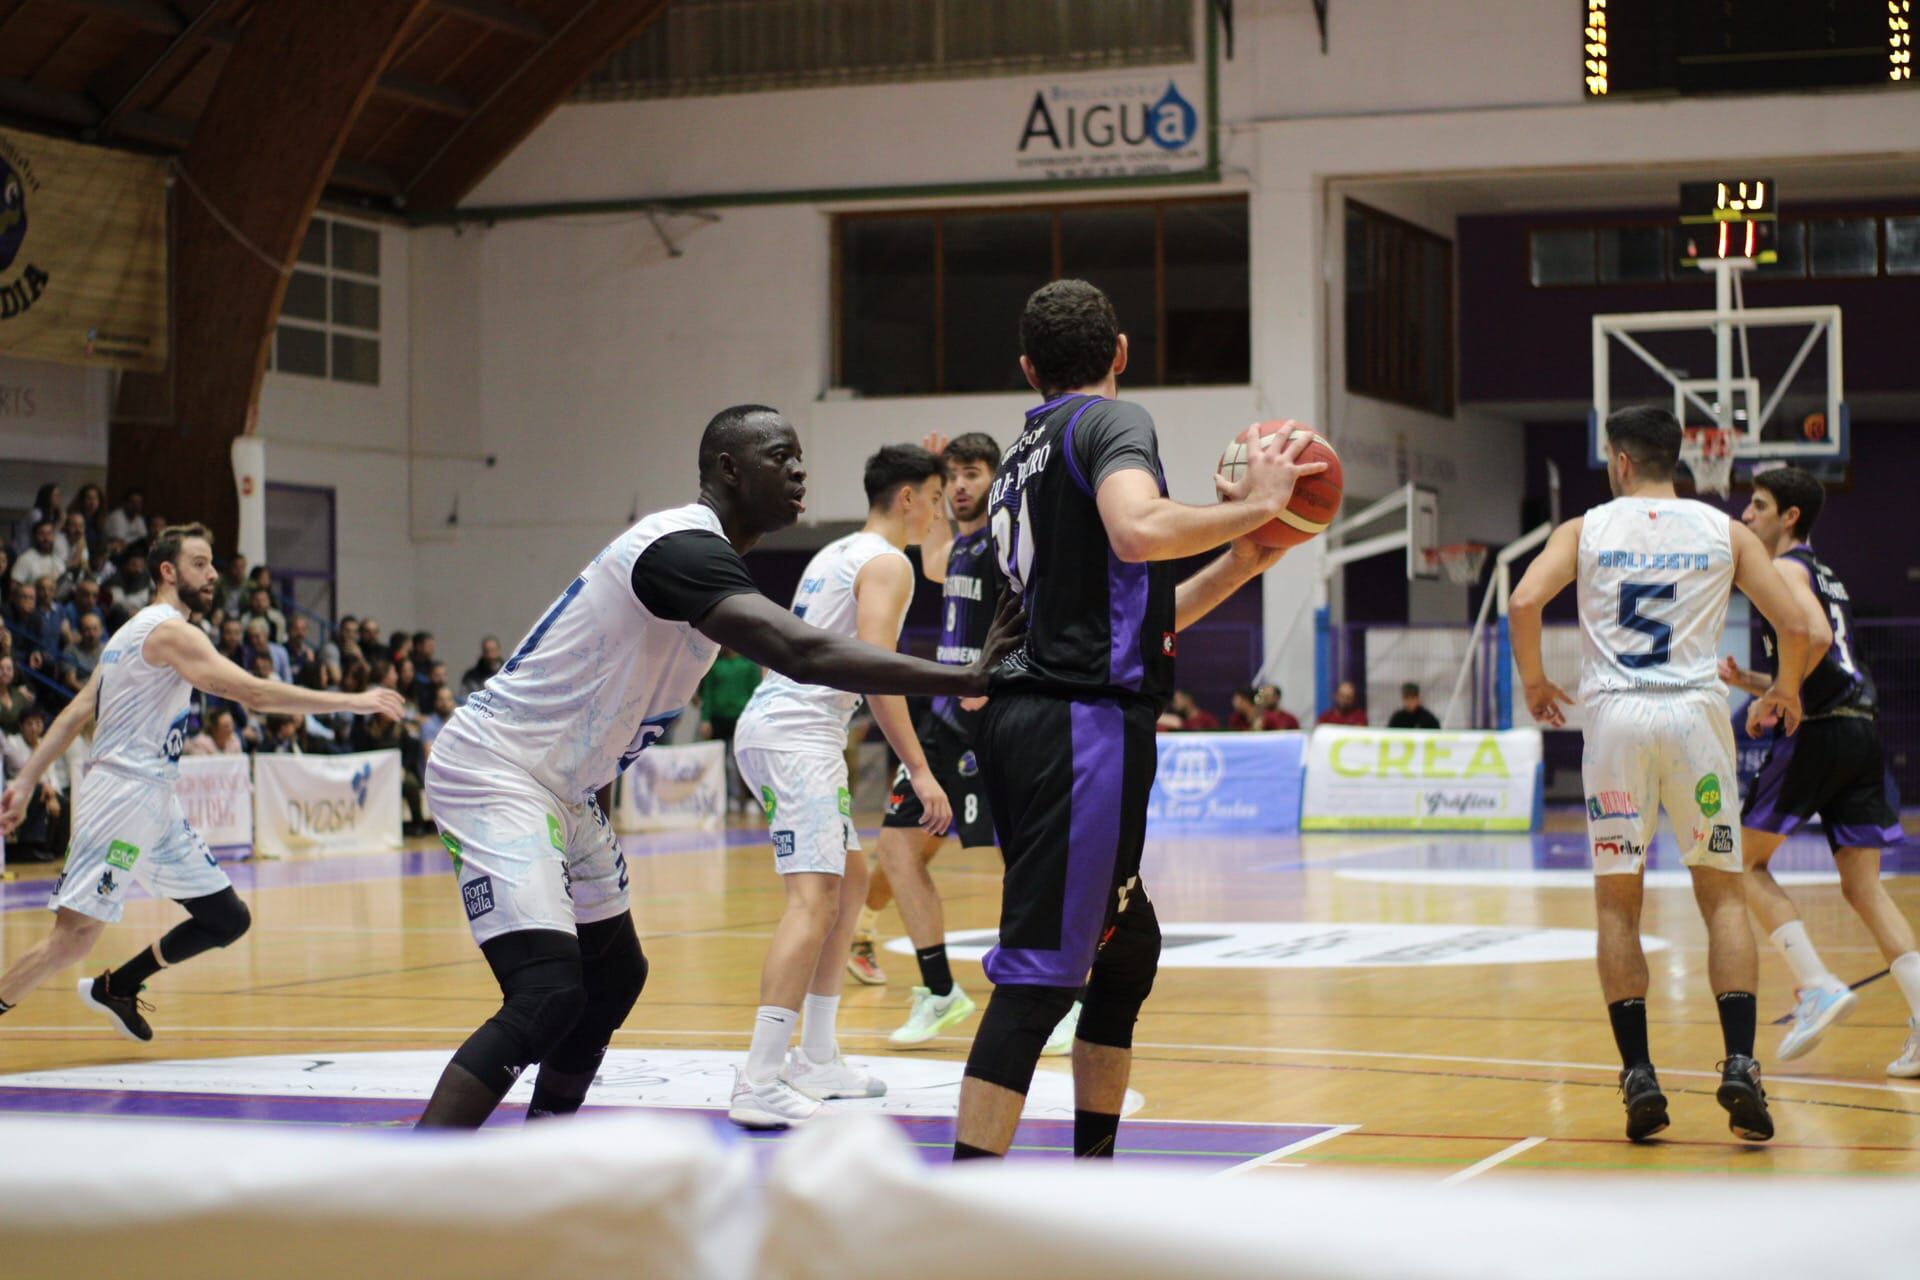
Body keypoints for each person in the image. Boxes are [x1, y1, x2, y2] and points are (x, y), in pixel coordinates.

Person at [412, 405, 1019, 1131]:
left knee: (615, 977)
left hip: (561, 789)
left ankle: (548, 1149)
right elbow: (804, 654)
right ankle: (423, 1171)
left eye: (801, 457)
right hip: (496, 767)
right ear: (728, 469)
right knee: (546, 992)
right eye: (779, 456)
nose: (799, 470)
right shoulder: (681, 547)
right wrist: (964, 677)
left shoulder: (720, 559)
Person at [952, 279, 1320, 1162]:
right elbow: (1137, 528)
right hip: (1077, 727)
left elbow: (1131, 608)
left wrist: (1240, 561)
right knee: (1039, 980)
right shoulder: (1114, 425)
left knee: (1126, 947)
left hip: (1038, 718)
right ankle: (955, 1212)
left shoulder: (1020, 454)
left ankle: (1095, 1173)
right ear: (1120, 352)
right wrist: (1260, 503)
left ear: (1028, 368)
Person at [1508, 405, 1809, 1144]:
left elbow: (1522, 600)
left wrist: (1536, 682)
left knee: (1618, 906)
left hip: (1615, 722)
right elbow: (1797, 627)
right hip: (1696, 721)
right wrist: (1786, 689)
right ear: (1680, 459)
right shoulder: (1725, 532)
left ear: (1617, 462)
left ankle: (1639, 1074)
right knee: (1724, 898)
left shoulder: (1586, 529)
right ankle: (1740, 1060)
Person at [0, 524, 403, 1039]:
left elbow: (80, 708)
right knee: (73, 939)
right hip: (122, 797)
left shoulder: (128, 633)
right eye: (200, 563)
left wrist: (30, 777)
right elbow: (253, 695)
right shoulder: (169, 632)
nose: (213, 573)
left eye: (212, 564)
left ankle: (117, 987)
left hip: (155, 801)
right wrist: (353, 700)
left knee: (226, 918)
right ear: (167, 571)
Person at [728, 443, 954, 1127]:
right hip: (797, 734)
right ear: (909, 497)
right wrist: (918, 766)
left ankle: (817, 1057)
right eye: (935, 499)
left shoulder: (839, 551)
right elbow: (874, 668)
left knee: (851, 885)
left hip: (782, 727)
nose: (938, 513)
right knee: (813, 902)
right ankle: (760, 1076)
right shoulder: (887, 564)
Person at [1720, 467, 1919, 1075]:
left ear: (1789, 518)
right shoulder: (1824, 572)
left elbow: (1813, 634)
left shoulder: (1783, 569)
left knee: (1742, 863)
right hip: (1860, 728)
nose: (1746, 516)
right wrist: (1757, 682)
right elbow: (1825, 653)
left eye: (1757, 506)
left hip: (1823, 730)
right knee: (1864, 887)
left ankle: (1816, 985)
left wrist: (1772, 697)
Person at [847, 433, 1006, 1055]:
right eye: (952, 478)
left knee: (1021, 860)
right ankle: (940, 991)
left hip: (992, 723)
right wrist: (934, 493)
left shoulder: (1006, 544)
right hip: (943, 724)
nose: (962, 486)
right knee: (897, 847)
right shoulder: (960, 546)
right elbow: (933, 555)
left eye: (973, 474)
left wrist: (997, 674)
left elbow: (1031, 613)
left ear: (997, 479)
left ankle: (1063, 996)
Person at [695, 647, 760, 812]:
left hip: (742, 719)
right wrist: (705, 719)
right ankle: (724, 798)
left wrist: (755, 719)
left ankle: (750, 799)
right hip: (718, 718)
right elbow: (707, 694)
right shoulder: (716, 665)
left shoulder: (749, 664)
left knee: (744, 761)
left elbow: (756, 693)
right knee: (719, 761)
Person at [2, 707, 67, 861]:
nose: (34, 728)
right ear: (21, 726)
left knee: (63, 802)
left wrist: (53, 794)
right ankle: (28, 847)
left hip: (45, 789)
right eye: (29, 724)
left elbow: (52, 775)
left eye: (38, 723)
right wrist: (45, 787)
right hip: (19, 790)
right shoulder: (13, 741)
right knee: (39, 792)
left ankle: (55, 848)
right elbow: (21, 770)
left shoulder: (45, 743)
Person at [12, 521, 62, 587]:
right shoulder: (25, 559)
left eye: (49, 534)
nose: (46, 538)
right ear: (34, 537)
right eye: (42, 534)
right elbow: (14, 586)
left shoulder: (57, 559)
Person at [460, 636, 502, 700]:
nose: (490, 655)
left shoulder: (507, 674)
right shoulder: (471, 677)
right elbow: (465, 698)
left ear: (498, 651)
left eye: (493, 651)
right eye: (487, 651)